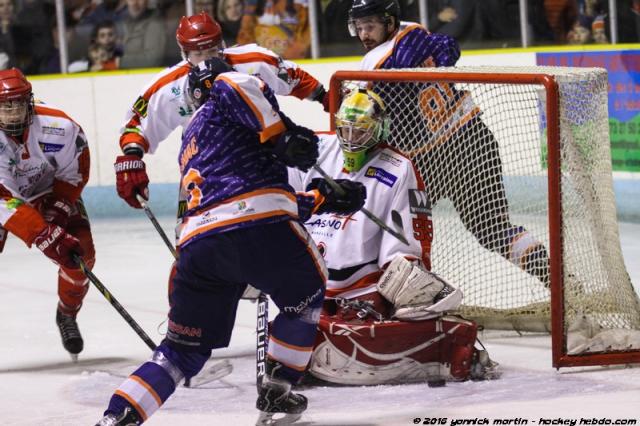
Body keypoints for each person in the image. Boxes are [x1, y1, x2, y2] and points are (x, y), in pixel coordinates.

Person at [97, 58, 366, 426]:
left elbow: (243, 200)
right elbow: (257, 206)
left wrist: (321, 198)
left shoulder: (192, 139)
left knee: (179, 354)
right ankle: (279, 382)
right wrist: (282, 135)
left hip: (198, 250)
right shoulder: (229, 86)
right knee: (308, 291)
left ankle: (116, 418)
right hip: (261, 232)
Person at [289, 88, 498, 385]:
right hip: (307, 278)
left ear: (380, 130)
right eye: (345, 130)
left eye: (360, 132)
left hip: (358, 288)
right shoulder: (319, 149)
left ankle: (445, 346)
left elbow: (410, 234)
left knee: (401, 285)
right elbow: (286, 197)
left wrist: (405, 271)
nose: (350, 139)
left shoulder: (399, 168)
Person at [347, 0, 552, 286]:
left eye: (370, 26)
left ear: (389, 22)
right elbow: (449, 46)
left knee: (387, 229)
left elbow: (369, 121)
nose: (364, 34)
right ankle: (556, 278)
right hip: (474, 140)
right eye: (359, 27)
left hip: (431, 163)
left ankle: (408, 298)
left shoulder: (374, 64)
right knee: (492, 228)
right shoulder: (415, 32)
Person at [0, 68, 94, 359]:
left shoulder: (61, 127)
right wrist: (43, 233)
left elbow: (75, 172)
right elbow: (5, 200)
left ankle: (67, 314)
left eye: (18, 104)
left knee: (82, 257)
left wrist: (59, 210)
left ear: (30, 102)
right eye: (5, 107)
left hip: (48, 192)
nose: (13, 113)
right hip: (6, 200)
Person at [118, 0, 167, 68]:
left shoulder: (155, 23)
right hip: (123, 75)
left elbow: (153, 60)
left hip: (146, 76)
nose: (135, 3)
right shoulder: (121, 21)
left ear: (147, 1)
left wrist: (119, 62)